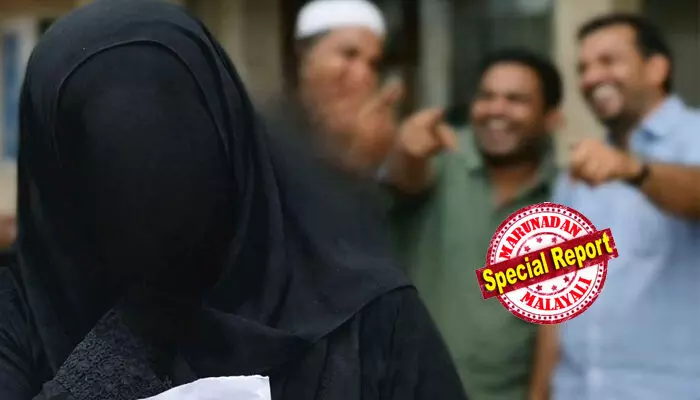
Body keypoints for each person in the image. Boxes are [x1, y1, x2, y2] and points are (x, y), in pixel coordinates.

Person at [0, 1, 468, 399]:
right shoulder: (18, 320)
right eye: (108, 151)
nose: (148, 182)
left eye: (174, 138)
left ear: (228, 137)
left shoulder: (368, 314)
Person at [382, 49, 563, 400]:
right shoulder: (441, 160)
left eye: (516, 100)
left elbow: (554, 323)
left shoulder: (565, 197)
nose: (496, 109)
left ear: (552, 119)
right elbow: (405, 180)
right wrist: (407, 152)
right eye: (486, 96)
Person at [541, 14, 700, 400]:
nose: (591, 77)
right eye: (583, 68)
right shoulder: (580, 170)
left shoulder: (694, 135)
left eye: (608, 61)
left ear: (657, 68)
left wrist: (635, 171)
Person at [265, 0, 404, 179]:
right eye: (349, 55)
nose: (362, 75)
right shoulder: (263, 132)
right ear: (305, 52)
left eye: (373, 64)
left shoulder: (378, 140)